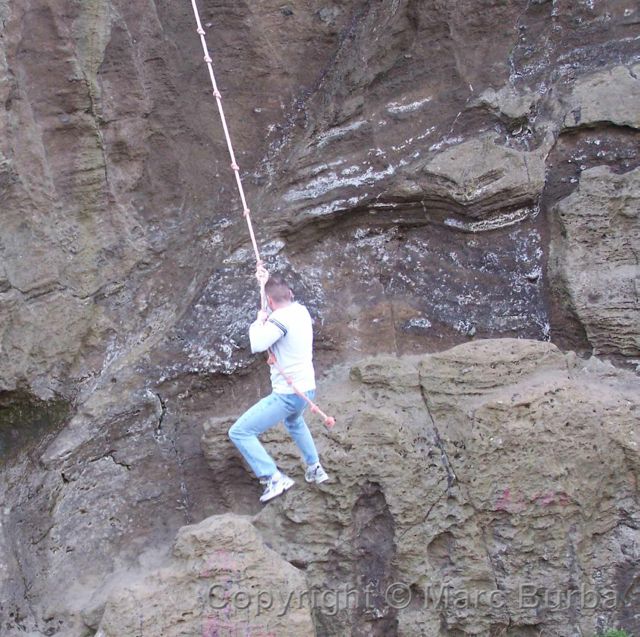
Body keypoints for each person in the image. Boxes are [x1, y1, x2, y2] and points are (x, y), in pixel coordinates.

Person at [228, 269, 329, 503]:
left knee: (240, 432)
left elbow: (257, 343)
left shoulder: (279, 320)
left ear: (271, 302)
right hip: (306, 389)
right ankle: (315, 468)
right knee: (294, 421)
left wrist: (258, 321)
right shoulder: (300, 311)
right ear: (291, 294)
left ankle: (274, 478)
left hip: (287, 394)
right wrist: (264, 283)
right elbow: (275, 301)